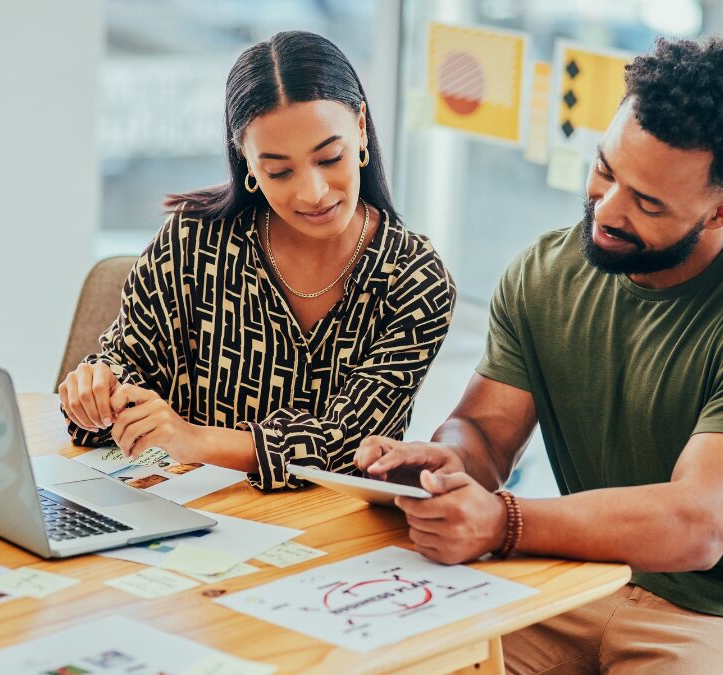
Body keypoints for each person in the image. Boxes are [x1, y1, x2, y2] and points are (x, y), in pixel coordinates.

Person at [357, 37, 723, 674]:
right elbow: (485, 433)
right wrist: (447, 462)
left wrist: (503, 522)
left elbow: (698, 522)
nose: (606, 212)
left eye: (648, 203)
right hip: (574, 579)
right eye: (607, 170)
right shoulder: (545, 272)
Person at [58, 31, 456, 491]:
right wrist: (97, 393)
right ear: (245, 161)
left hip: (332, 539)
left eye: (329, 157)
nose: (314, 192)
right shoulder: (192, 241)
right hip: (186, 513)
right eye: (279, 171)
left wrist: (193, 440)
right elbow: (128, 371)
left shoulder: (415, 278)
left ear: (361, 126)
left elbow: (349, 447)